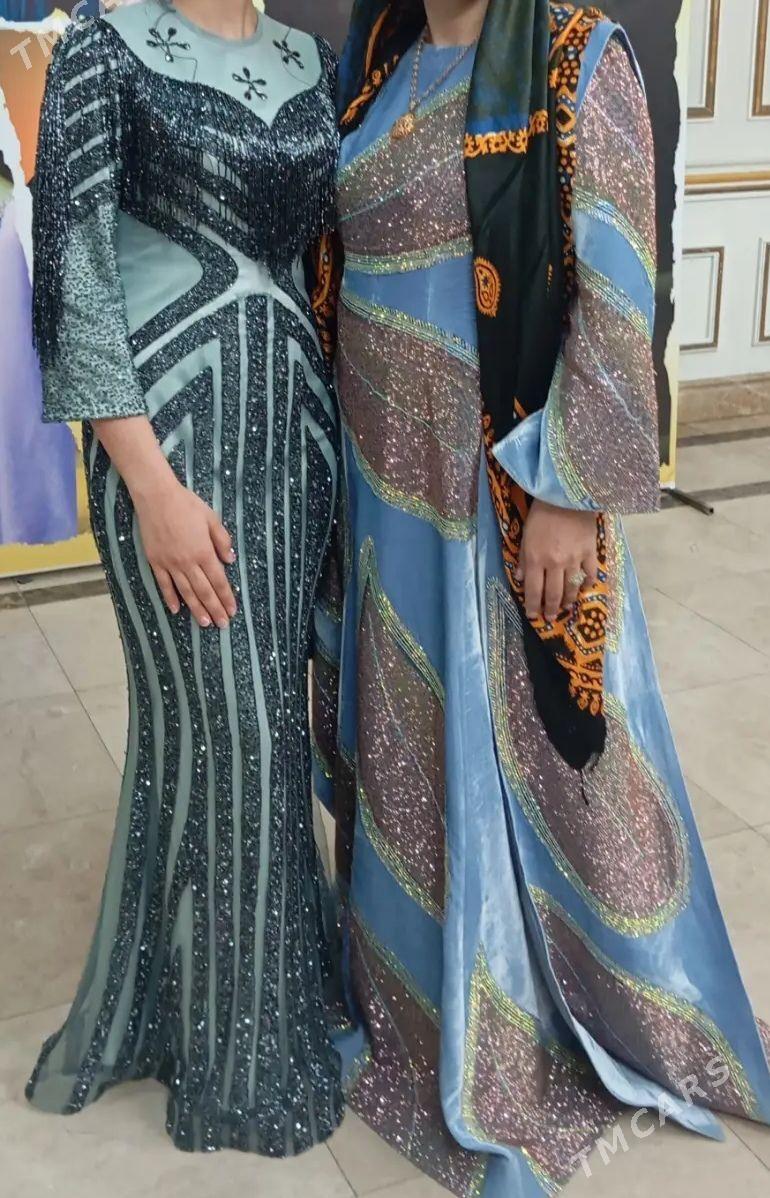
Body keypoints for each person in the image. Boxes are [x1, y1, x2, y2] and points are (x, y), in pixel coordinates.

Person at [311, 0, 770, 1192]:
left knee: (532, 746)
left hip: (493, 493)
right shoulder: (381, 57)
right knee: (405, 734)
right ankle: (413, 990)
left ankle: (558, 1006)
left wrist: (567, 491)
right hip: (380, 490)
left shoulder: (575, 56)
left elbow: (617, 283)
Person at [26, 0, 347, 1155]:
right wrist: (152, 488)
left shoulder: (311, 61)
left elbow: (331, 262)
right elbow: (73, 276)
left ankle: (182, 1005)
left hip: (294, 440)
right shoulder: (102, 49)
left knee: (247, 735)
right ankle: (241, 1065)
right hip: (169, 446)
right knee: (231, 732)